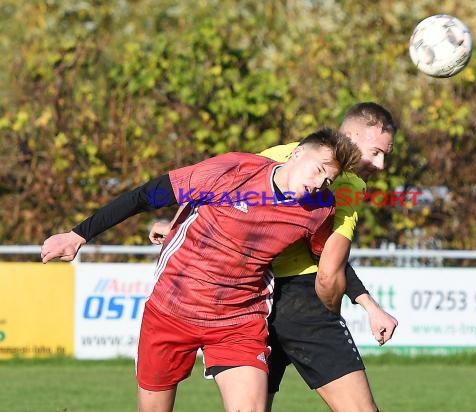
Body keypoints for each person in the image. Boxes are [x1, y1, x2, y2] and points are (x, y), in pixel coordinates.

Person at [40, 128, 361, 412]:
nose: (319, 183)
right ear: (297, 152)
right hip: (172, 307)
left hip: (238, 319)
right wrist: (78, 234)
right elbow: (146, 195)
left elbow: (330, 261)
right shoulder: (234, 169)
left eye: (328, 179)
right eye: (318, 170)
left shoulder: (320, 209)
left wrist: (364, 300)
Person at [150, 102, 399, 411]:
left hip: (250, 300)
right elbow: (329, 266)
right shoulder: (348, 185)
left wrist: (177, 227)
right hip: (299, 299)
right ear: (350, 135)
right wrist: (332, 312)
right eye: (375, 151)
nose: (380, 164)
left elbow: (211, 189)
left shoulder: (282, 153)